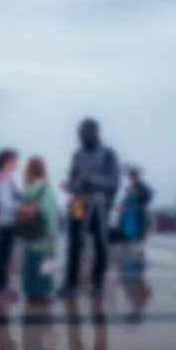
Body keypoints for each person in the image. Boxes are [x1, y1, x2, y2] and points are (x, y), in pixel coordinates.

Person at [59, 118, 120, 299]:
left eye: (84, 134)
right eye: (79, 134)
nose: (81, 137)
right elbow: (73, 178)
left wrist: (91, 179)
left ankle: (97, 284)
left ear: (94, 133)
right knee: (74, 243)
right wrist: (70, 184)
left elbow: (113, 182)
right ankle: (70, 284)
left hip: (98, 205)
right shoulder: (77, 155)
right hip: (78, 203)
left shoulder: (108, 154)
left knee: (100, 245)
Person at [18, 157, 60, 303]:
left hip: (29, 233)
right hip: (44, 233)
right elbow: (51, 212)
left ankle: (30, 292)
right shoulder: (46, 188)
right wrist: (53, 232)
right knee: (46, 263)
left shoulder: (26, 189)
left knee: (30, 262)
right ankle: (44, 292)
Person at [0, 149, 19, 307]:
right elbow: (4, 203)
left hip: (6, 221)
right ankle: (0, 288)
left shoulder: (4, 177)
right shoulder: (3, 178)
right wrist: (20, 207)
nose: (16, 164)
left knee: (4, 256)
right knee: (2, 256)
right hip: (5, 222)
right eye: (14, 161)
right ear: (7, 161)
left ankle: (2, 286)